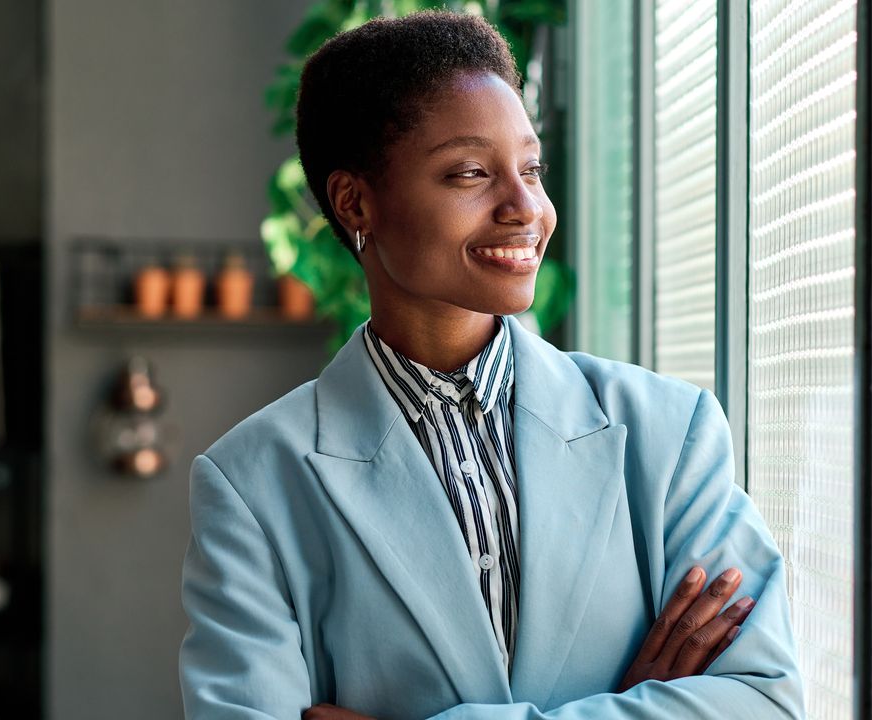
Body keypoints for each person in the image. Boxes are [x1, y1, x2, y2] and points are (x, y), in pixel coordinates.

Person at [179, 11, 803, 720]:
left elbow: (764, 702)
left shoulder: (668, 433)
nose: (526, 207)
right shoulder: (254, 483)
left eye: (531, 168)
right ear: (356, 201)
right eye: (471, 172)